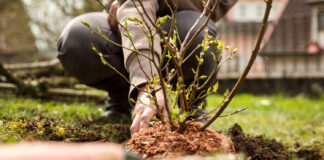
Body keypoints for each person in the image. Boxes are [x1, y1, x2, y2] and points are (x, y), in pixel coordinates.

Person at [57, 0, 237, 135]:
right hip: (127, 10)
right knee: (78, 38)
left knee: (195, 32)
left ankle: (191, 105)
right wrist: (147, 84)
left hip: (187, 15)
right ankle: (122, 98)